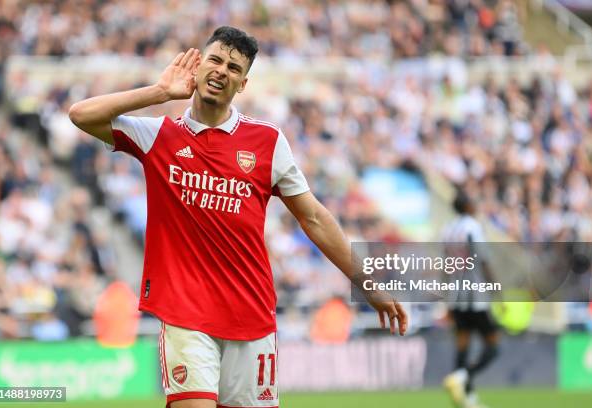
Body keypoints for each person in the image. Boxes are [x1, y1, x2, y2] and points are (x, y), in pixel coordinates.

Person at [69, 26, 407, 408]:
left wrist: (366, 282)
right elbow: (81, 114)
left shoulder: (267, 142)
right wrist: (160, 92)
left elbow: (313, 217)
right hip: (185, 315)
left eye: (233, 67)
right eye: (214, 60)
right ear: (197, 67)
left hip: (251, 315)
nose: (221, 71)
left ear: (242, 84)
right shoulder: (157, 136)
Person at [442, 191, 500, 408]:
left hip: (456, 296)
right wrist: (496, 290)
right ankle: (463, 376)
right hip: (475, 296)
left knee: (463, 344)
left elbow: (446, 268)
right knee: (493, 345)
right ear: (466, 206)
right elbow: (483, 260)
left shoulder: (447, 230)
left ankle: (468, 399)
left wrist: (447, 298)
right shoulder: (472, 227)